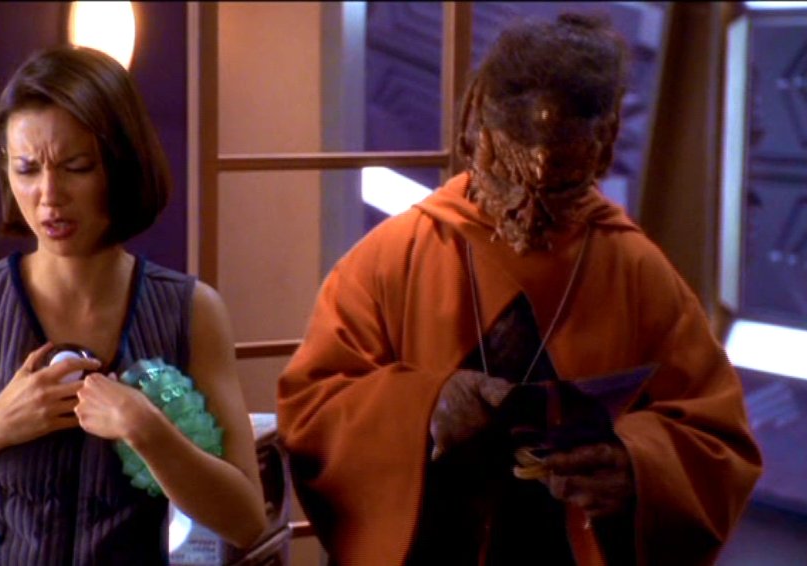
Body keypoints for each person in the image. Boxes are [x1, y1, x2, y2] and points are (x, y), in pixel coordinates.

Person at [277, 13, 761, 566]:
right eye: (508, 174)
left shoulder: (636, 271)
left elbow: (716, 438)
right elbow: (313, 410)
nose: (529, 207)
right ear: (474, 129)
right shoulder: (394, 256)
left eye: (559, 185)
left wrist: (637, 464)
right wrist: (423, 405)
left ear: (602, 149)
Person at [0, 45, 266, 564]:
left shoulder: (191, 311)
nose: (49, 196)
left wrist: (147, 430)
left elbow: (246, 521)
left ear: (122, 165)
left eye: (76, 167)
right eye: (27, 169)